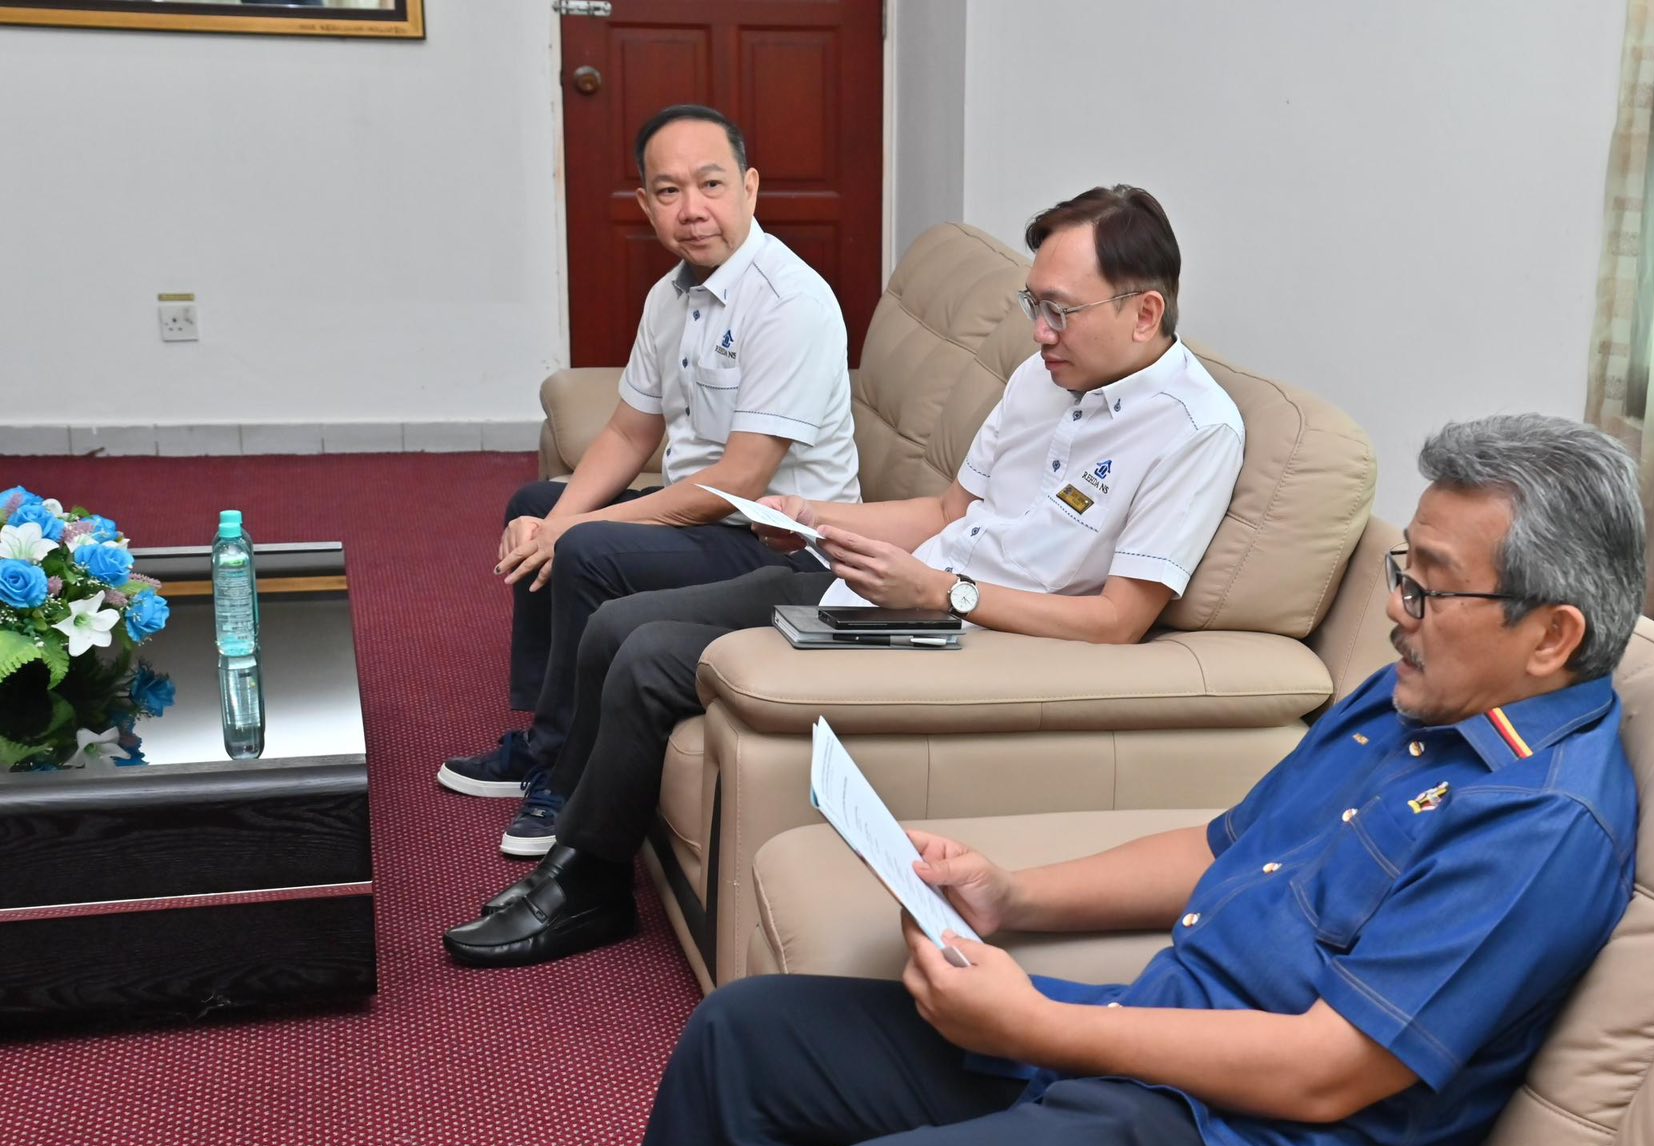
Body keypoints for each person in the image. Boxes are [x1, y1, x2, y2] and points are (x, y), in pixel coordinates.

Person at [601, 414, 1648, 1146]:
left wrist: (1041, 1025)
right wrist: (1013, 897)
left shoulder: (1541, 819)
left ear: (1551, 635)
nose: (1393, 609)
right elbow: (1224, 846)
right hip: (1151, 1042)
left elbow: (1327, 1073)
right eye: (1400, 569)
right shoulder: (1410, 699)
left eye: (1428, 587)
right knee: (742, 1040)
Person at [443, 185, 1246, 967]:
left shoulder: (1195, 430)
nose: (1040, 332)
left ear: (1145, 312)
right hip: (890, 588)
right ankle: (574, 849)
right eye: (1033, 304)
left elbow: (1118, 621)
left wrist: (943, 595)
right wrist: (811, 517)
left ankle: (586, 887)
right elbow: (947, 512)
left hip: (962, 634)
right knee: (617, 624)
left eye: (1060, 311)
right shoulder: (1043, 376)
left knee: (651, 657)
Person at [436, 105, 860, 857]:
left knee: (583, 545)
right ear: (645, 204)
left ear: (750, 188)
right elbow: (631, 432)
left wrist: (574, 531)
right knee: (535, 505)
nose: (692, 209)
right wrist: (553, 520)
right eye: (669, 191)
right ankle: (545, 737)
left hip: (781, 544)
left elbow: (741, 478)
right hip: (707, 521)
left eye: (711, 185)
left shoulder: (789, 303)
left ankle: (568, 777)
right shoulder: (670, 296)